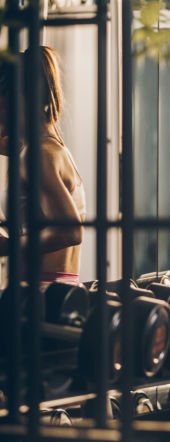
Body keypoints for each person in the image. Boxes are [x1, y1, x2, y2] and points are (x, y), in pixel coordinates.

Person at [0, 46, 86, 284]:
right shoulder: (53, 149)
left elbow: (71, 231)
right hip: (57, 290)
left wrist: (9, 246)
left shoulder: (36, 155)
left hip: (38, 296)